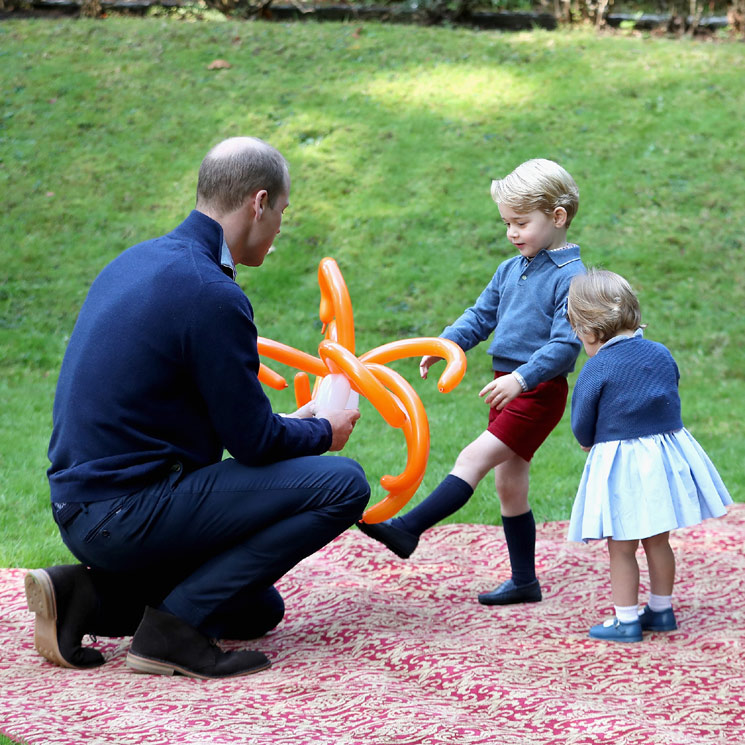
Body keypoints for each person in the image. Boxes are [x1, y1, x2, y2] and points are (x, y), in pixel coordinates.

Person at [25, 137, 370, 679]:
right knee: (344, 483)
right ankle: (172, 633)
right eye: (282, 210)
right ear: (258, 203)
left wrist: (297, 423)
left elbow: (214, 419)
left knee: (257, 608)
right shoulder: (211, 293)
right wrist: (325, 432)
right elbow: (253, 445)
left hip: (81, 503)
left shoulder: (137, 261)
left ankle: (84, 596)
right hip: (127, 512)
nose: (281, 225)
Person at [357, 158, 585, 606]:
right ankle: (524, 581)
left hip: (537, 392)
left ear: (558, 218)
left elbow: (564, 347)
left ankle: (407, 529)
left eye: (522, 222)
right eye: (507, 223)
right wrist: (444, 346)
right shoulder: (510, 268)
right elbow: (480, 317)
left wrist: (522, 378)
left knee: (472, 457)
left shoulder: (573, 279)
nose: (512, 233)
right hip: (507, 385)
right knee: (509, 486)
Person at [566, 269, 731, 642]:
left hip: (620, 463)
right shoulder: (660, 352)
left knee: (621, 544)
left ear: (590, 330)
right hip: (662, 456)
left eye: (579, 333)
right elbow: (669, 391)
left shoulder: (598, 366)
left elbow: (581, 419)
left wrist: (587, 439)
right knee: (658, 539)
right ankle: (661, 610)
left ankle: (626, 621)